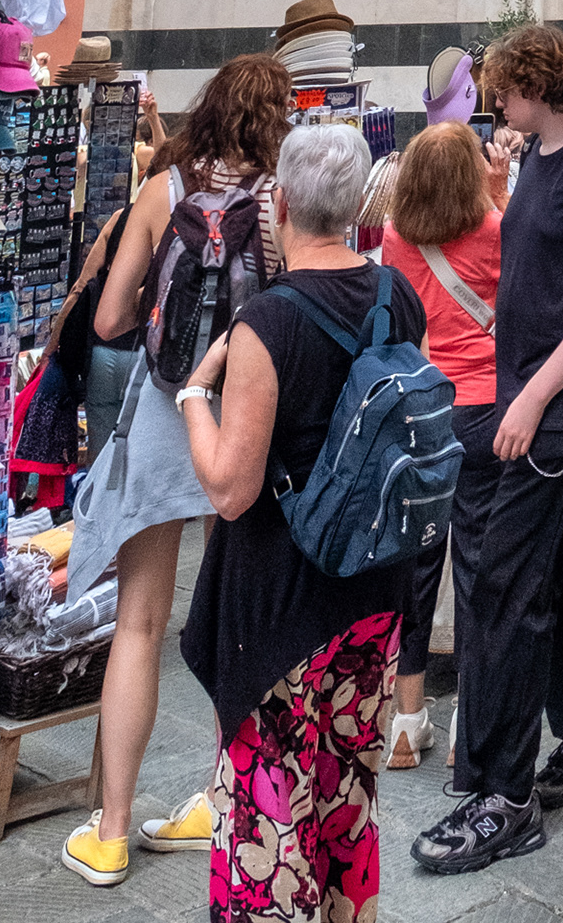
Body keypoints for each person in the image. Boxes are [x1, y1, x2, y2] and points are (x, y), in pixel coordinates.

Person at [176, 124, 425, 923]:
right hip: (374, 588)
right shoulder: (398, 296)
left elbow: (230, 488)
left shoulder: (269, 323)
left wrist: (192, 398)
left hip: (282, 605)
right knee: (348, 795)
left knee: (268, 812)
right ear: (356, 208)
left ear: (279, 203)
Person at [60, 52, 291, 886]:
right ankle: (223, 799)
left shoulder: (164, 190)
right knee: (243, 618)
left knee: (140, 624)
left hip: (167, 413)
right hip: (254, 419)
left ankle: (113, 831)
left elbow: (115, 315)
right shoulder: (282, 197)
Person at [412, 24, 563, 878]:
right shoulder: (538, 157)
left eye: (505, 88)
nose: (496, 102)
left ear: (537, 84)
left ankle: (504, 796)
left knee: (503, 581)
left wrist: (534, 397)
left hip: (556, 414)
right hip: (527, 404)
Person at [380, 122, 503, 767]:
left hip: (423, 410)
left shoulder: (397, 237)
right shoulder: (494, 230)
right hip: (483, 407)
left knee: (418, 566)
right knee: (477, 566)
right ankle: (468, 725)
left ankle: (405, 722)